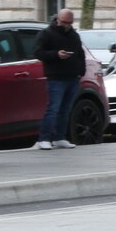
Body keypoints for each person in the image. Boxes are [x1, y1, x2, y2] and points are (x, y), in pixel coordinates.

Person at [31, 9, 84, 149]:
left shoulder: (74, 35)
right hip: (56, 77)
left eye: (70, 23)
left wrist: (80, 72)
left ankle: (59, 137)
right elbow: (38, 52)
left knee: (65, 109)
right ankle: (44, 138)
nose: (67, 25)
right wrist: (56, 54)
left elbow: (80, 54)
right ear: (57, 19)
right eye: (64, 22)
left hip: (72, 76)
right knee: (53, 108)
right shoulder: (47, 34)